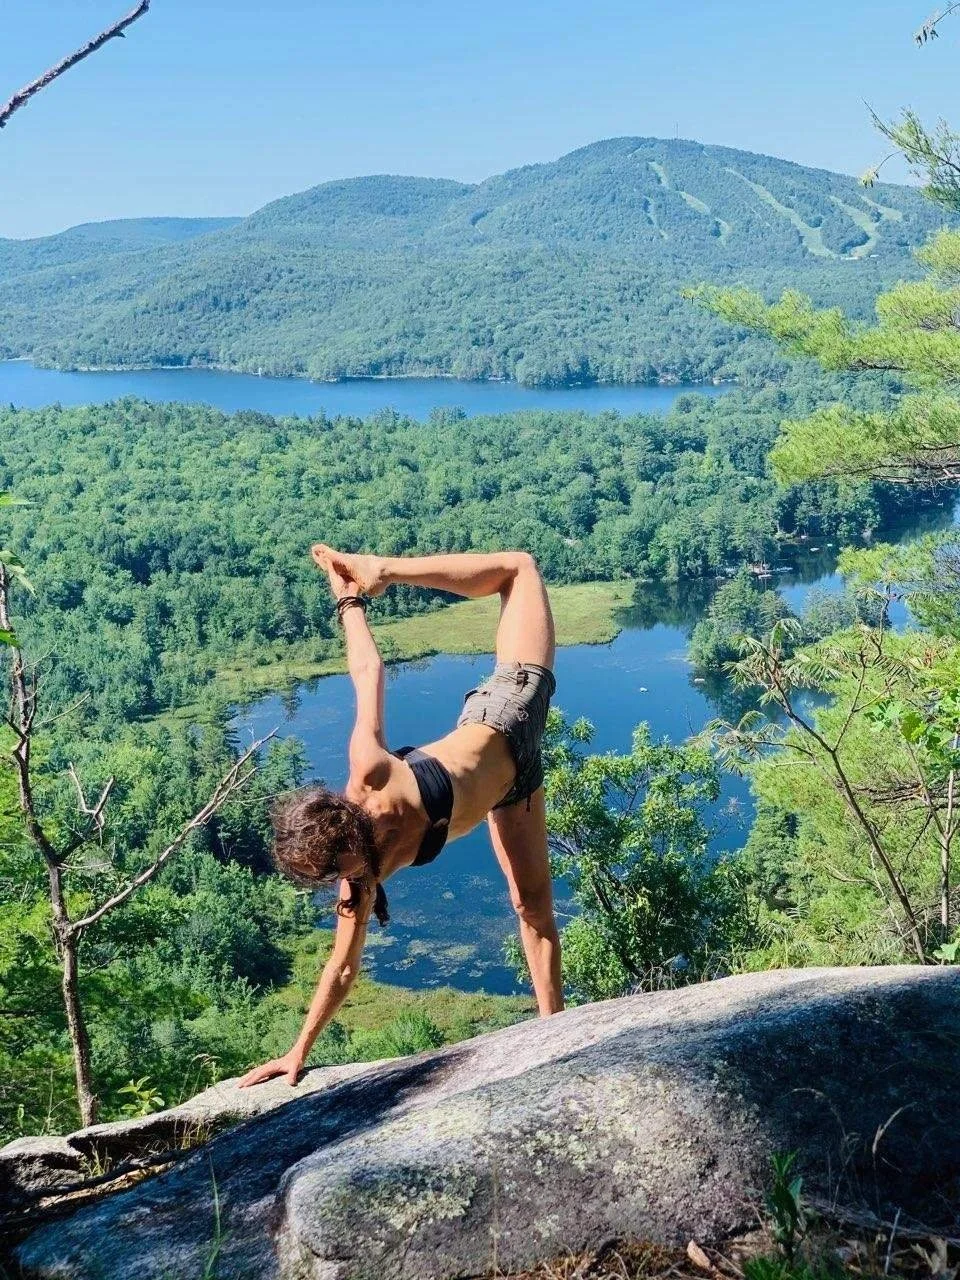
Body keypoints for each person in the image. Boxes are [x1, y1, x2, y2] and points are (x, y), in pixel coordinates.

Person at [239, 547, 563, 1089]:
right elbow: (342, 968)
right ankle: (556, 1037)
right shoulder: (361, 879)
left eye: (333, 866)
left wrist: (351, 600)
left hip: (511, 709)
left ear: (342, 827)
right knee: (532, 907)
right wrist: (299, 1051)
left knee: (521, 568)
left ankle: (384, 567)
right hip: (513, 789)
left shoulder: (369, 772)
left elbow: (367, 670)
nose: (338, 877)